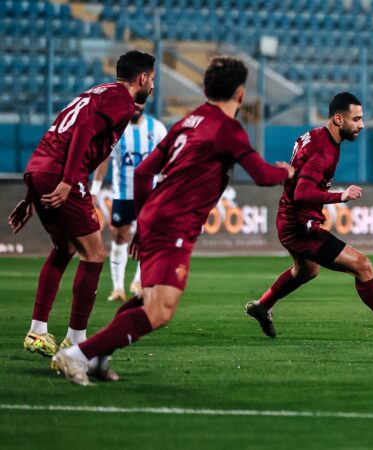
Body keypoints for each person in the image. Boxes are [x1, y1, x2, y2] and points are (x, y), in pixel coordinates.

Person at [51, 56, 294, 385]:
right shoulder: (227, 129)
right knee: (160, 310)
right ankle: (76, 356)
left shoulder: (188, 121)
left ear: (205, 90)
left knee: (147, 299)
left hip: (155, 216)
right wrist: (287, 172)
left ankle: (98, 358)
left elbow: (142, 173)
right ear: (240, 93)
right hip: (174, 223)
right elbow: (263, 176)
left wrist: (143, 222)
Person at [245, 92, 373, 344]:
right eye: (356, 119)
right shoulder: (323, 151)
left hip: (288, 218)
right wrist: (341, 195)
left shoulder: (314, 135)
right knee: (362, 265)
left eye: (361, 118)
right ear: (338, 119)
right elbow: (302, 193)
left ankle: (262, 306)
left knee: (306, 271)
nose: (361, 125)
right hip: (300, 227)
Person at [9, 50, 156, 358]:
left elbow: (58, 133)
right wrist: (67, 180)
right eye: (152, 79)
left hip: (40, 168)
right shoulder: (122, 101)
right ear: (142, 78)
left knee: (64, 248)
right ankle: (76, 341)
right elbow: (84, 131)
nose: (153, 86)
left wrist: (32, 192)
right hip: (61, 174)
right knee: (94, 253)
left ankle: (38, 331)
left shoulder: (95, 92)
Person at [91, 102, 167, 302]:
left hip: (150, 195)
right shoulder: (117, 130)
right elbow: (104, 160)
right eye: (134, 103)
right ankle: (118, 288)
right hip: (123, 194)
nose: (137, 107)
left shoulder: (157, 128)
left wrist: (164, 187)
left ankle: (138, 281)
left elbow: (167, 161)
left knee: (149, 239)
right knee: (120, 238)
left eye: (141, 103)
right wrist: (95, 190)